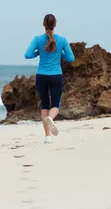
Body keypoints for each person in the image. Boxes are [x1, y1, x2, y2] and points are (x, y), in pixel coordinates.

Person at [24, 14, 75, 143]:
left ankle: (47, 136)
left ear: (43, 25)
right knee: (55, 105)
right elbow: (71, 58)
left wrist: (38, 52)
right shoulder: (62, 40)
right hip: (56, 76)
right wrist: (60, 53)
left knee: (44, 105)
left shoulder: (37, 39)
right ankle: (51, 118)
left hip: (41, 76)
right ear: (55, 25)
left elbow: (27, 55)